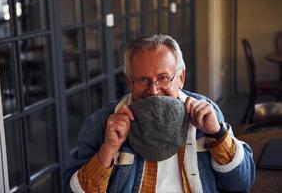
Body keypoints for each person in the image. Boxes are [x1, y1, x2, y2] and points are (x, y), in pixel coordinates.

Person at [63, 34, 255, 193]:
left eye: (163, 78)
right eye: (143, 80)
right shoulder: (101, 123)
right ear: (129, 82)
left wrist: (217, 133)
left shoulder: (206, 113)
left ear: (180, 78)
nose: (153, 90)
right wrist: (109, 148)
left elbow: (241, 184)